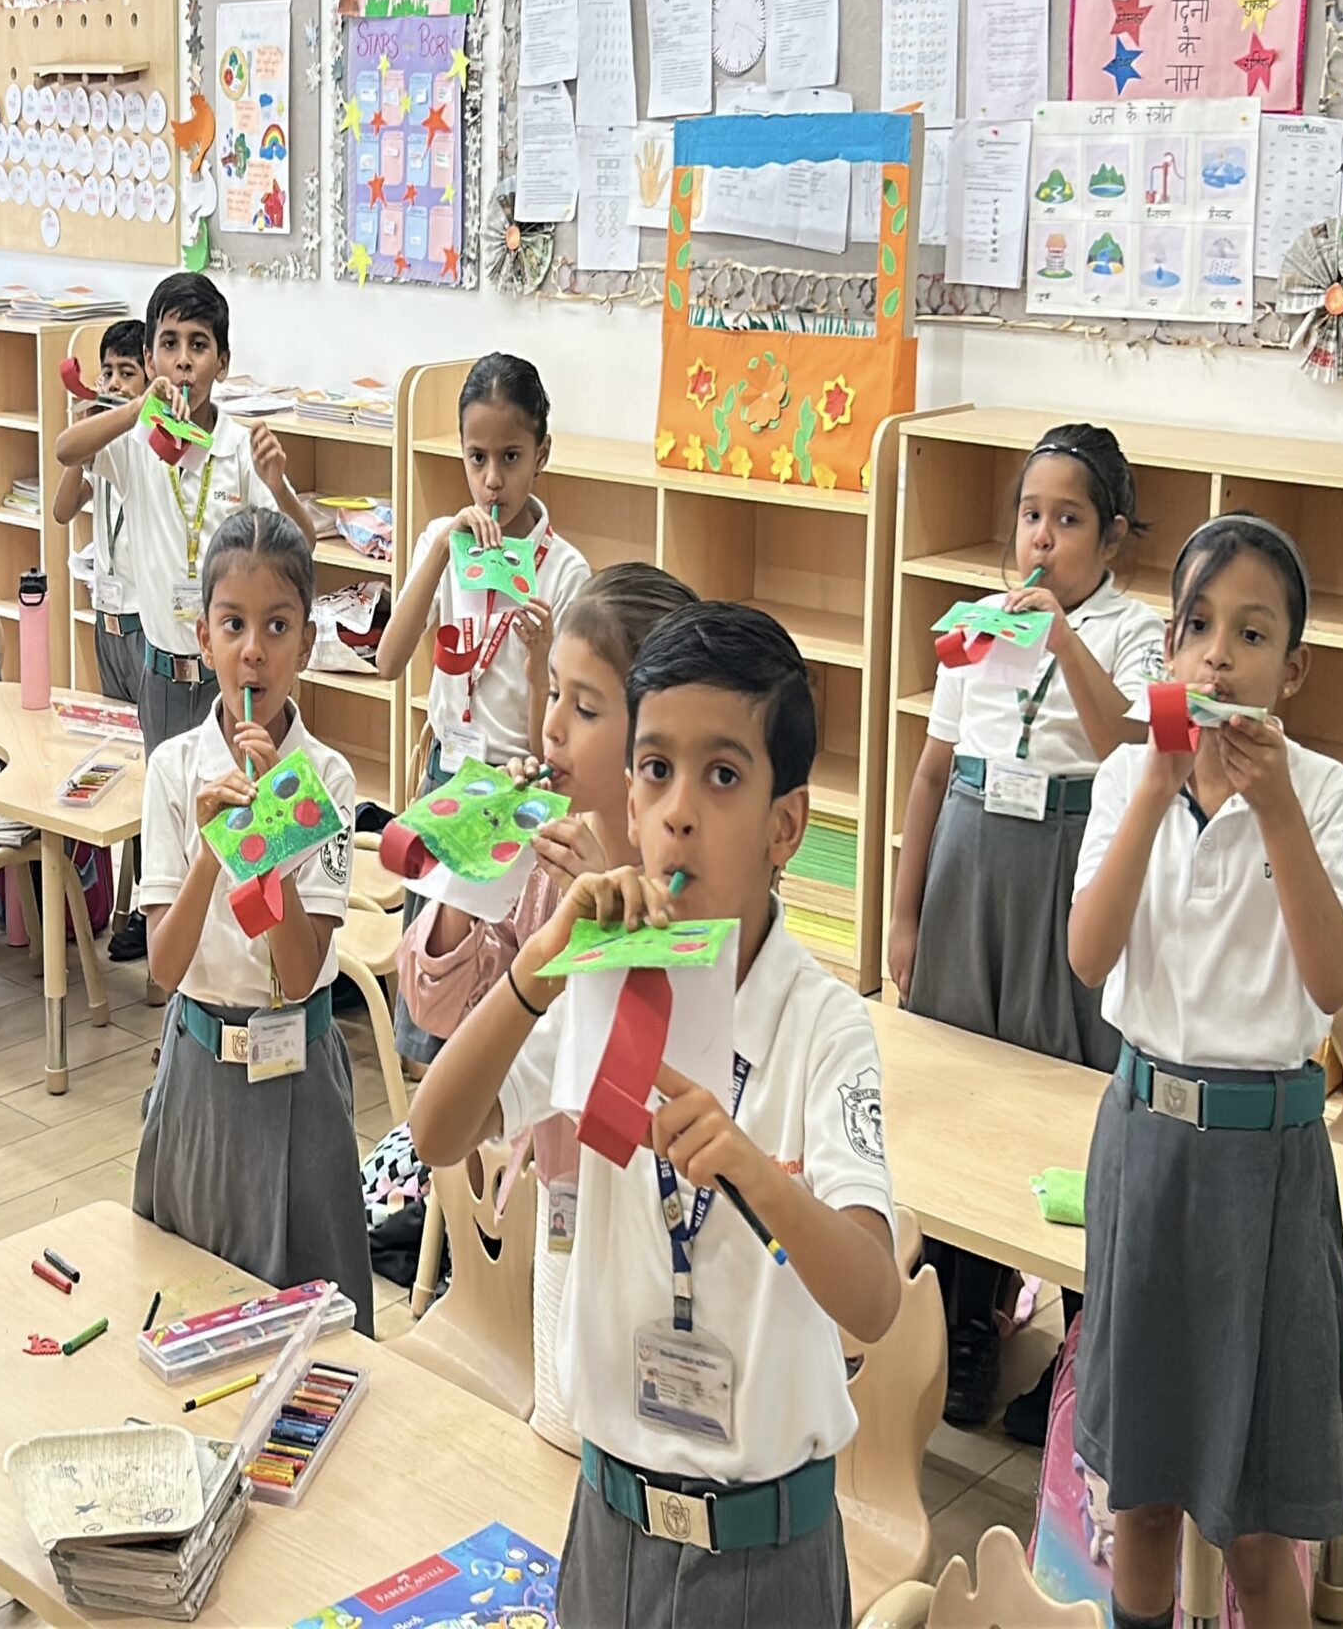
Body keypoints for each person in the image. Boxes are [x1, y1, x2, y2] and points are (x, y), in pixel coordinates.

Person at [411, 601, 900, 1627]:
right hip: (612, 1526)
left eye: (721, 776)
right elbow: (437, 1132)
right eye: (655, 769)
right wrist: (537, 971)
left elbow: (870, 1301)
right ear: (627, 800)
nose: (678, 811)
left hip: (767, 1549)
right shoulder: (604, 979)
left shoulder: (823, 1024)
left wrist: (755, 1173)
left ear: (785, 826)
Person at [1067, 515, 1343, 1629]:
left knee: (1256, 1528)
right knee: (1140, 1501)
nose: (1218, 657)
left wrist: (1274, 807)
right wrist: (1154, 788)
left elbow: (1331, 981)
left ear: (1292, 670)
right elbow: (1087, 955)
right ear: (1167, 648)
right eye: (1196, 627)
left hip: (1269, 1168)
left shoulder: (1321, 793)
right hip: (1146, 1151)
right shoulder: (1123, 779)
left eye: (1251, 634)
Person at [885, 422, 1163, 1434]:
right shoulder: (977, 622)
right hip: (970, 859)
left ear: (1113, 537)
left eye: (1068, 519)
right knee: (959, 1090)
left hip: (1068, 862)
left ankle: (1081, 1351)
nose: (1041, 536)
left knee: (1064, 1099)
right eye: (1030, 514)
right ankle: (964, 1321)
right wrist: (904, 913)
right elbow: (930, 769)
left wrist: (1061, 640)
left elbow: (1130, 745)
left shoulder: (1133, 630)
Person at [393, 561, 694, 1450]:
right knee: (562, 1439)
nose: (551, 725)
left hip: (665, 1242)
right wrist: (470, 874)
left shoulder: (693, 892)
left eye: (584, 707)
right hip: (561, 1210)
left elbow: (652, 1078)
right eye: (552, 692)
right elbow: (437, 1006)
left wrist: (603, 922)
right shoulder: (544, 847)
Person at [134, 507, 371, 1334]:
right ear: (203, 638)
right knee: (193, 1307)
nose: (254, 652)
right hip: (201, 1068)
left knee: (319, 1324)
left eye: (277, 626)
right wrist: (214, 845)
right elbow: (164, 966)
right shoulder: (173, 771)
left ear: (308, 643)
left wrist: (268, 834)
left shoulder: (328, 781)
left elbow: (300, 972)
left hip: (301, 1071)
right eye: (233, 625)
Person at [51, 273, 307, 968]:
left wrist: (278, 484)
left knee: (246, 817)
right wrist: (137, 408)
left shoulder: (239, 446)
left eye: (199, 345)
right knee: (175, 822)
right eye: (170, 344)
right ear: (152, 357)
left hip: (235, 679)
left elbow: (301, 544)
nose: (185, 360)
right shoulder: (136, 439)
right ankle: (177, 972)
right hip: (163, 670)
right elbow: (67, 453)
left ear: (222, 360)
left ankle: (253, 966)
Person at [377, 351, 593, 1059]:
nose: (493, 479)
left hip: (515, 791)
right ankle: (427, 1112)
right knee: (430, 989)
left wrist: (539, 660)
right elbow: (388, 661)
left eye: (511, 457)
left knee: (492, 996)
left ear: (541, 455)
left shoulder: (565, 571)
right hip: (446, 779)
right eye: (477, 458)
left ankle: (483, 1109)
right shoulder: (444, 541)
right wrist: (443, 548)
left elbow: (548, 745)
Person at [50, 319, 151, 709]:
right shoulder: (104, 449)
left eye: (128, 373)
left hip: (142, 618)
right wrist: (87, 434)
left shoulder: (148, 449)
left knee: (148, 724)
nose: (115, 384)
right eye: (107, 373)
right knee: (116, 721)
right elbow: (63, 510)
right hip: (106, 618)